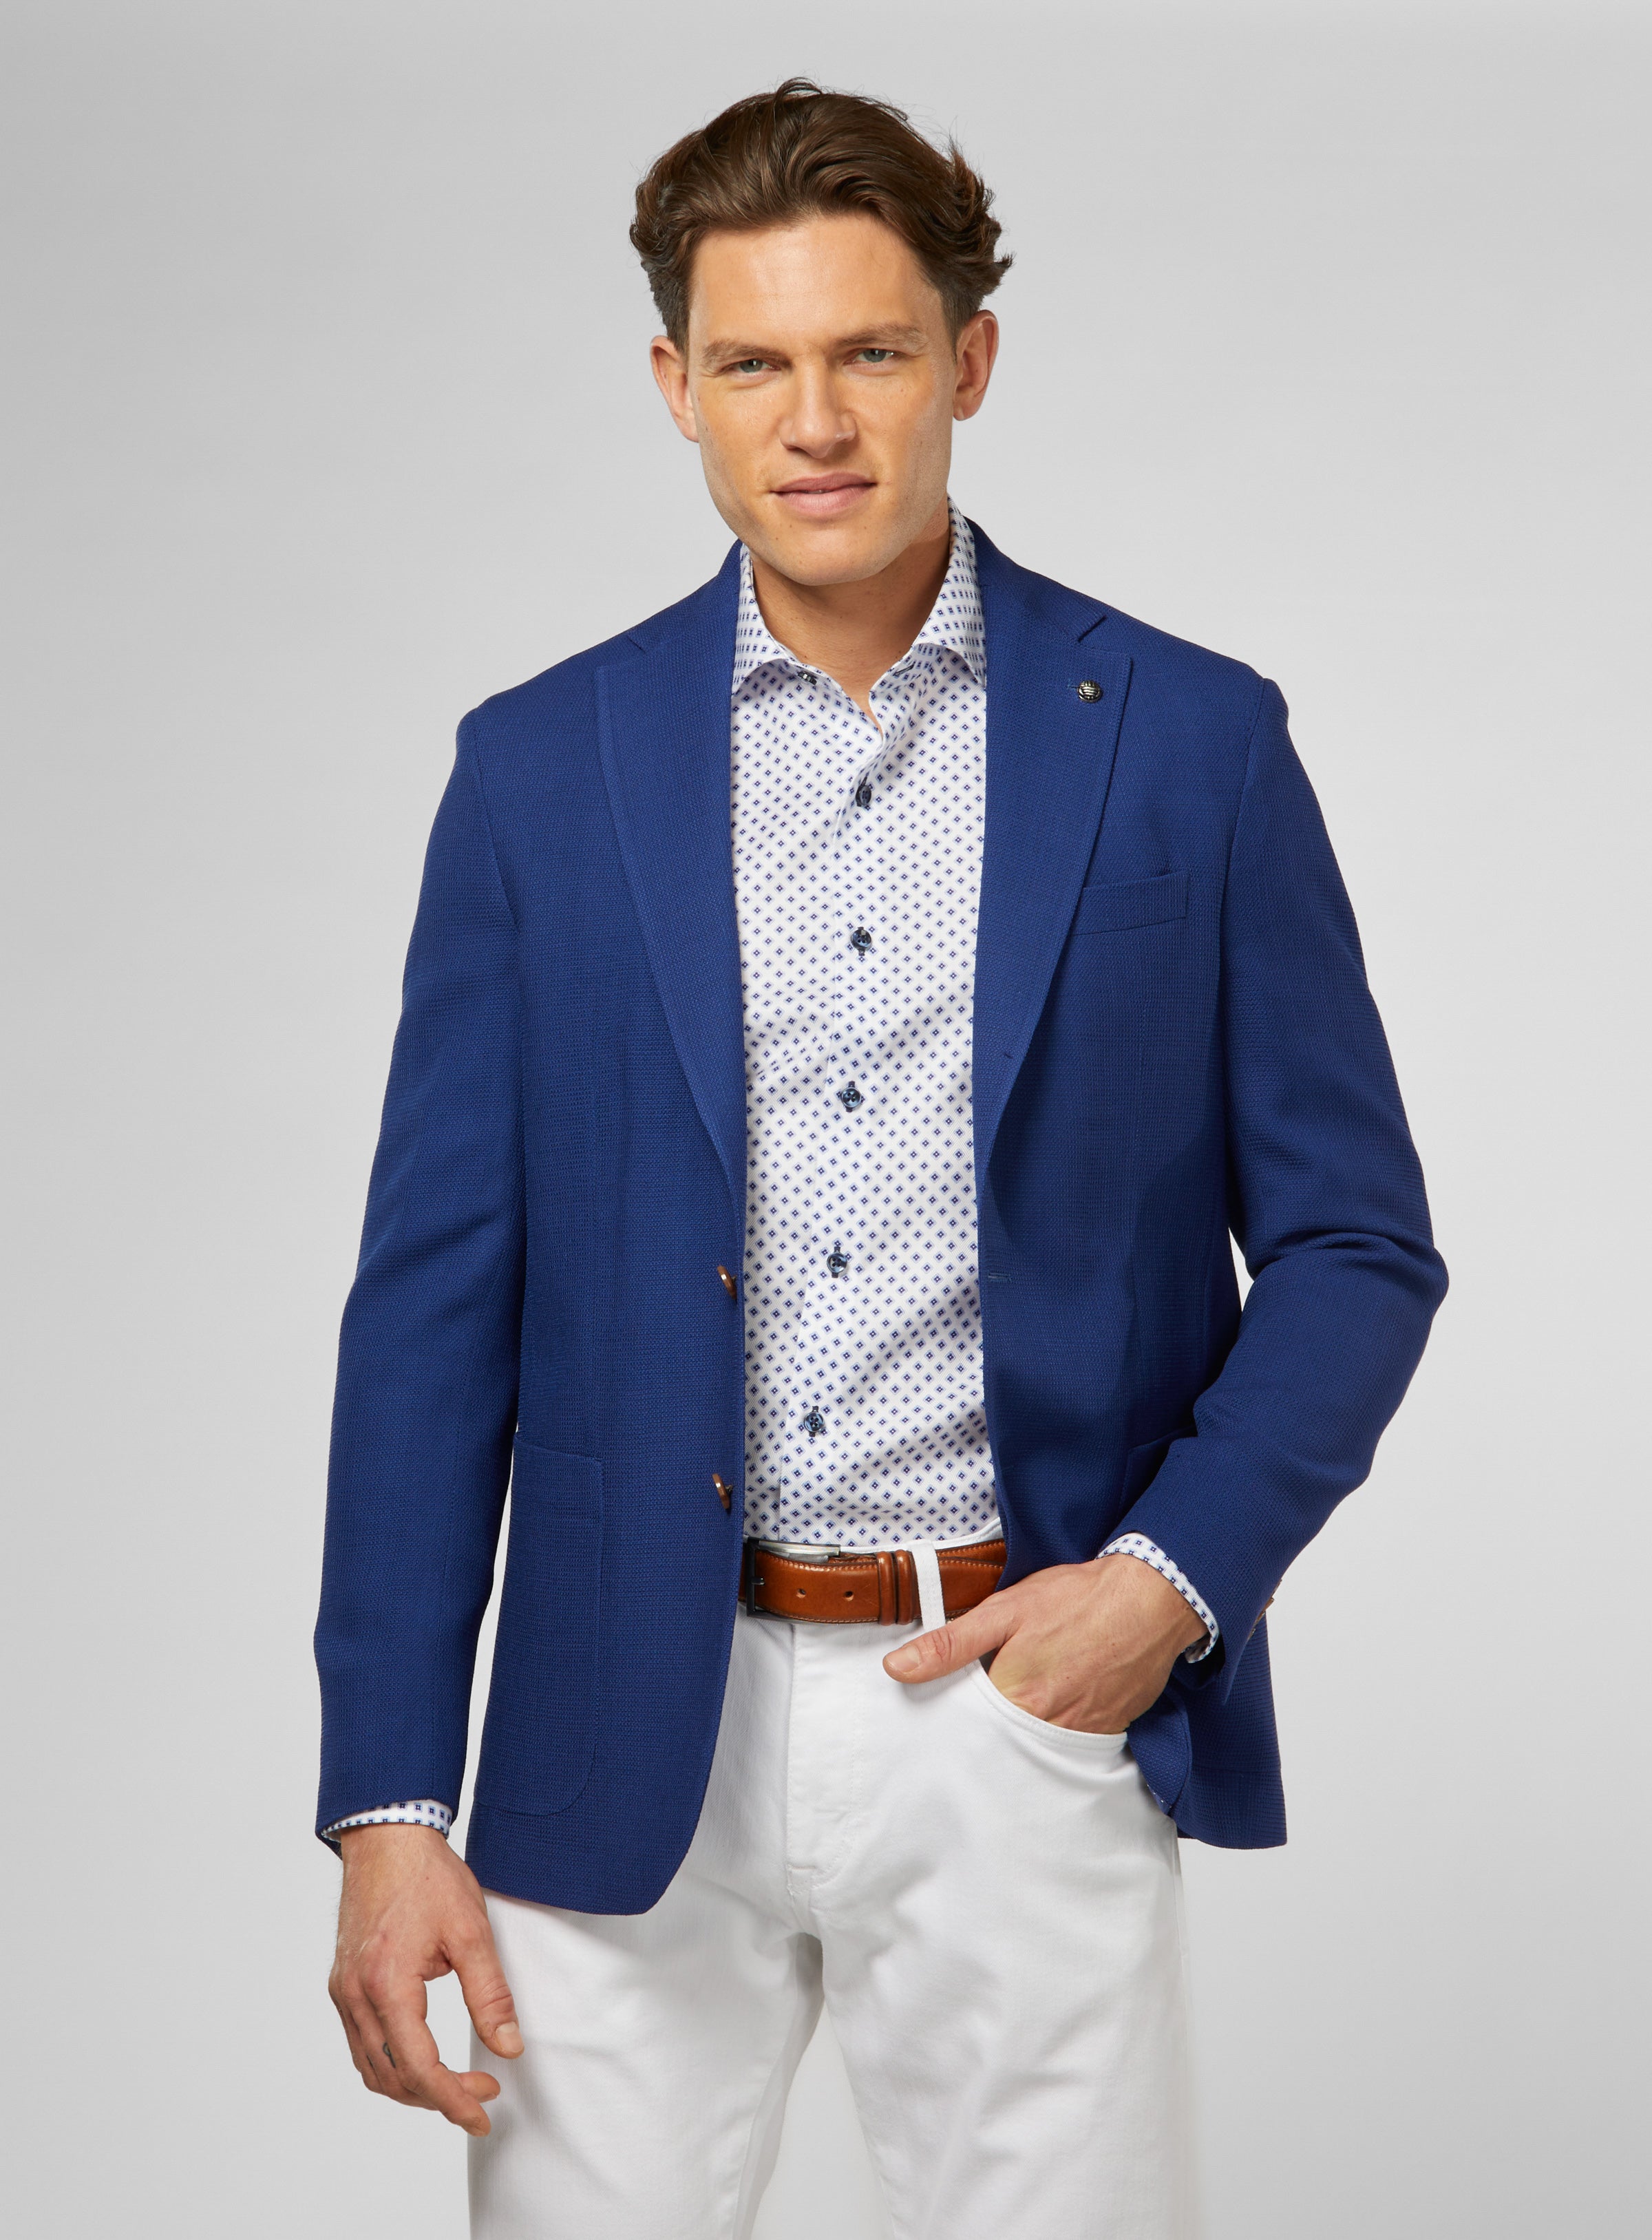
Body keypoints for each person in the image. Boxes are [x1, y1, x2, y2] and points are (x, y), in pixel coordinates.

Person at [315, 78, 1446, 2239]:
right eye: (753, 363)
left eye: (871, 351)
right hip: (617, 1730)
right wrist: (386, 1797)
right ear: (677, 387)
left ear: (970, 361)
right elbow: (431, 1313)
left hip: (1016, 1707)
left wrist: (1162, 1590)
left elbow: (1353, 1245)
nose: (816, 420)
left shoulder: (1193, 744)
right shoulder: (540, 772)